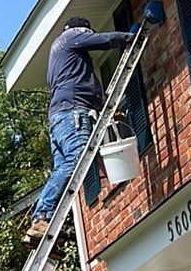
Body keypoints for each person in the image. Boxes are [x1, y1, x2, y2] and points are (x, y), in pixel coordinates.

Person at [24, 15, 132, 245]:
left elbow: (81, 84)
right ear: (82, 30)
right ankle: (42, 216)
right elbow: (103, 40)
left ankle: (41, 225)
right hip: (72, 114)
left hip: (60, 118)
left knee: (64, 167)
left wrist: (105, 109)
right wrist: (128, 37)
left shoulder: (65, 56)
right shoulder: (71, 37)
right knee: (76, 159)